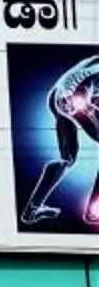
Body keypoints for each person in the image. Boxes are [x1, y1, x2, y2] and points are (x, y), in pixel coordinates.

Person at [20, 56, 99, 231]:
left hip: (61, 98)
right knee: (68, 158)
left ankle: (31, 211)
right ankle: (94, 211)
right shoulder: (93, 74)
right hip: (68, 98)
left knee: (67, 159)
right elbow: (81, 83)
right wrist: (81, 105)